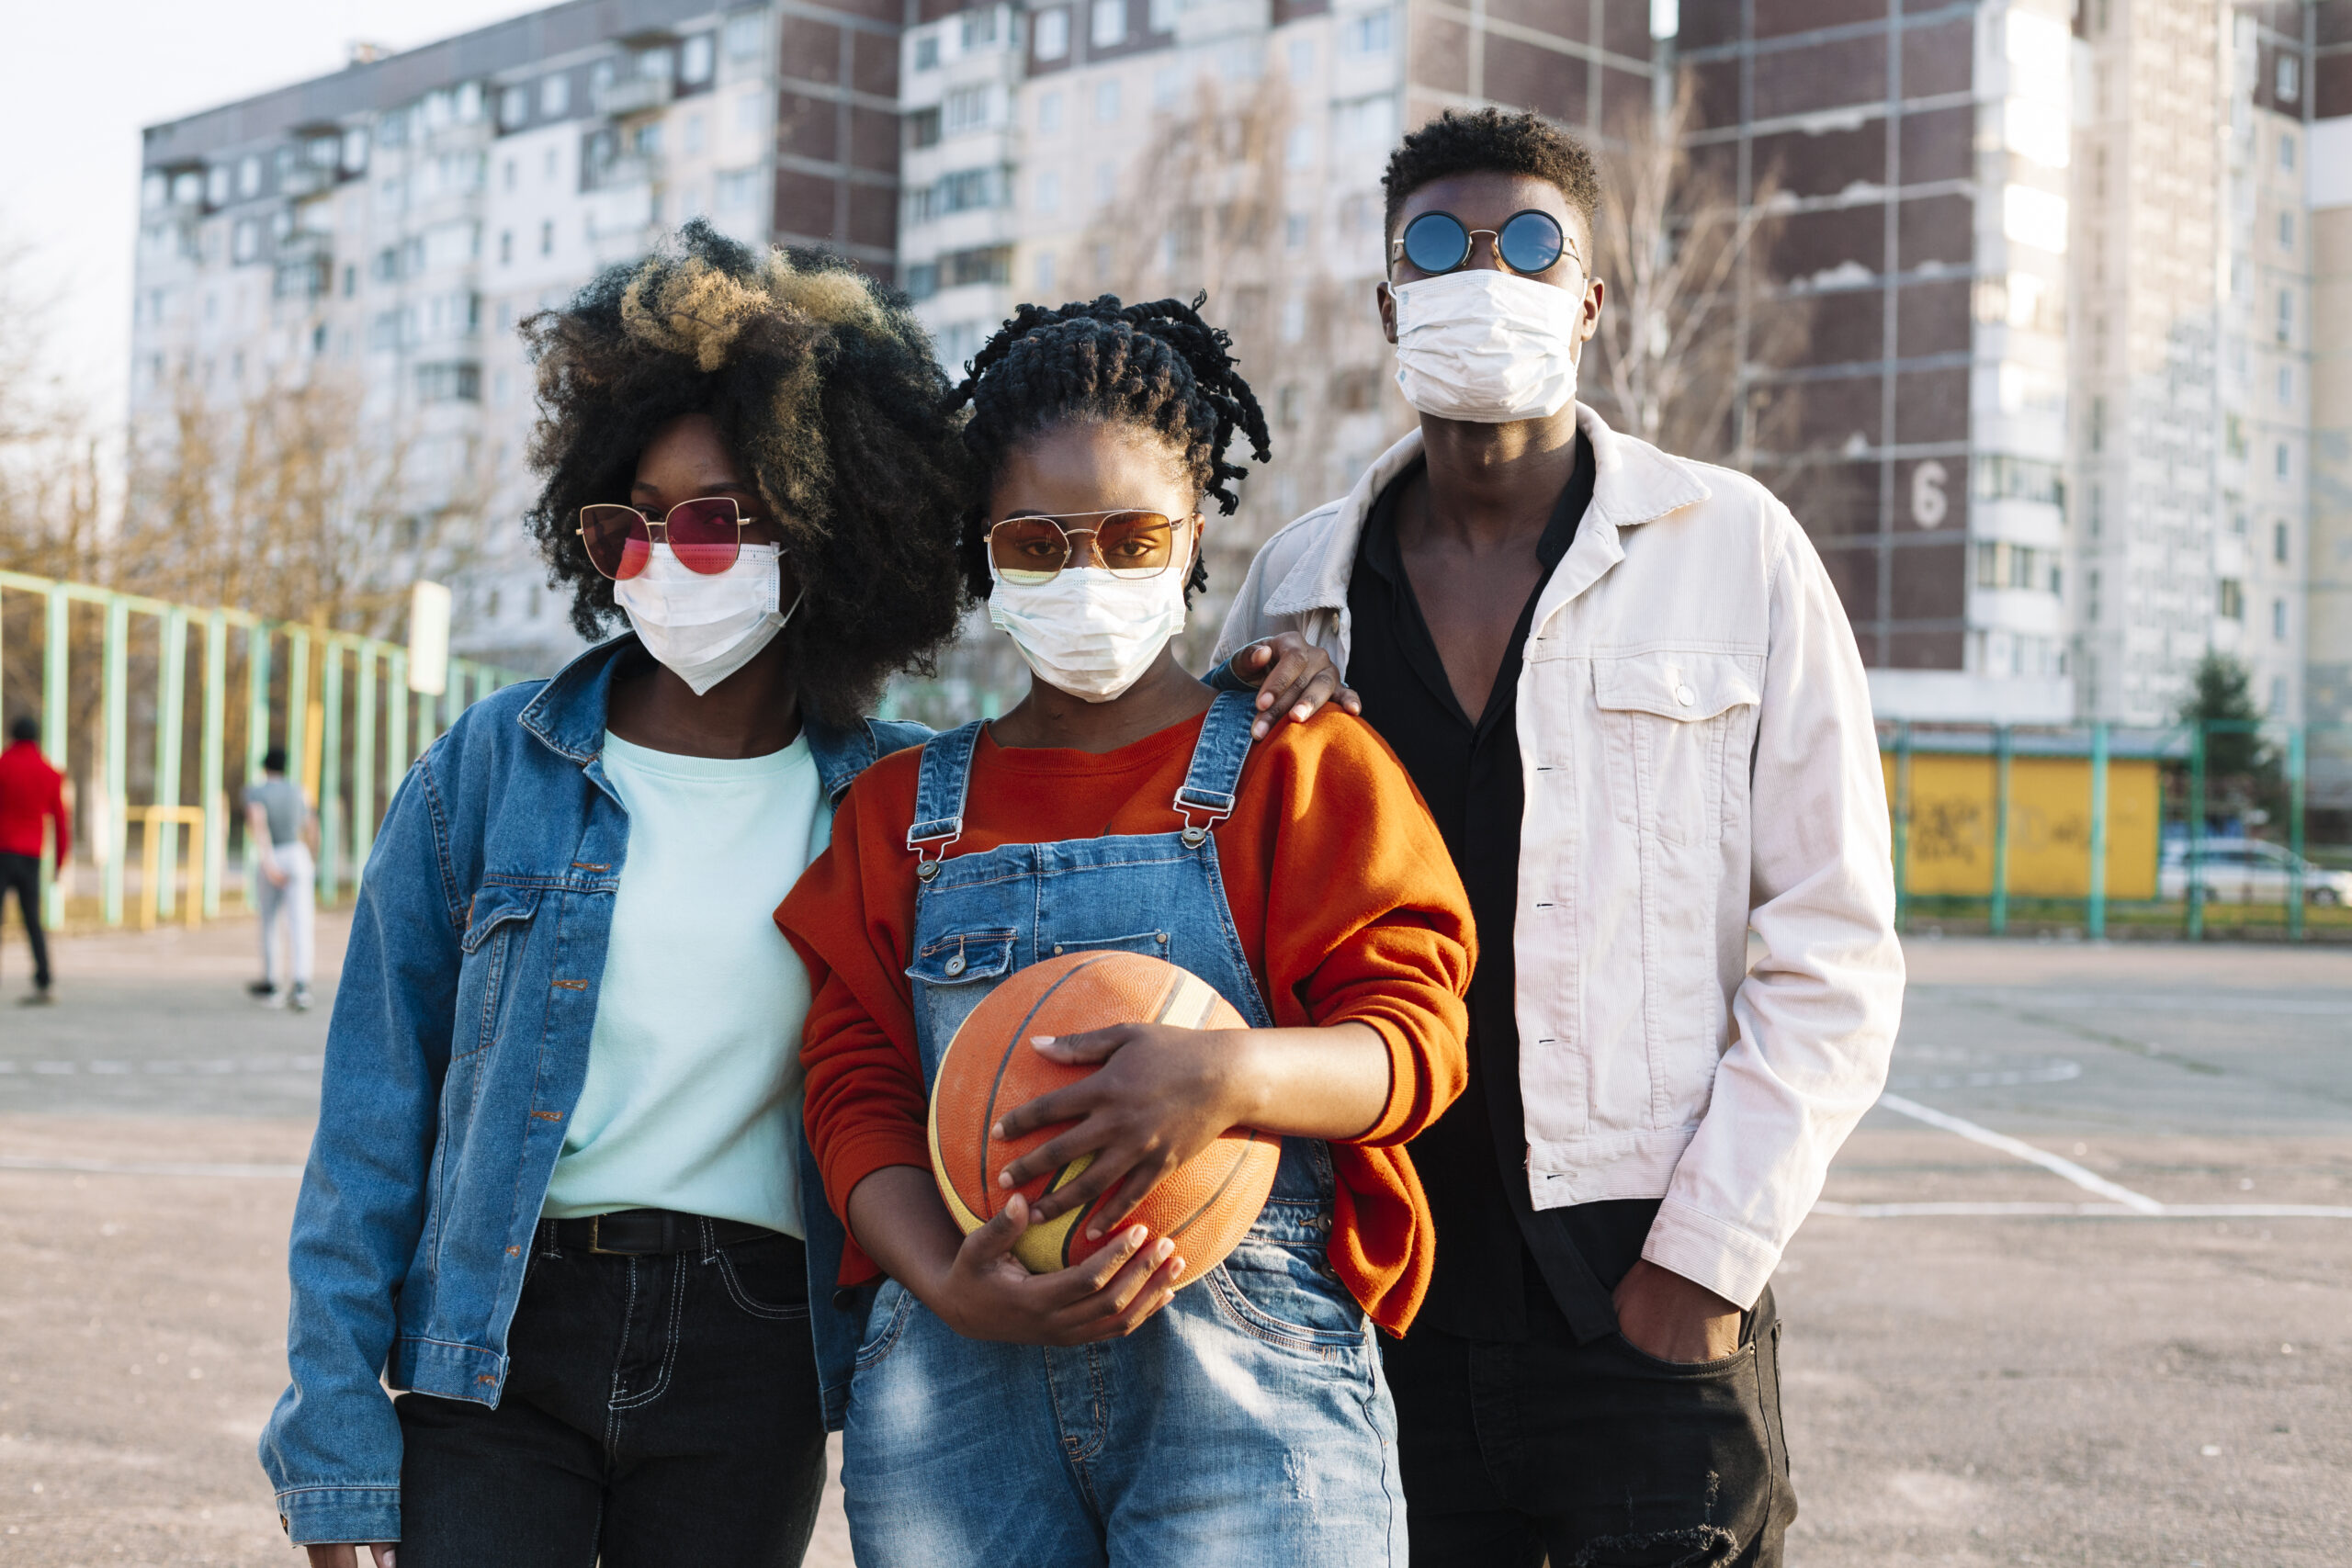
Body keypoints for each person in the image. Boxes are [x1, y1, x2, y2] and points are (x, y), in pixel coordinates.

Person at [259, 227, 1346, 1568]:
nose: (669, 557)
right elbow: (370, 1124)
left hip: (757, 1349)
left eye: (716, 518)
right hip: (500, 1332)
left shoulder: (900, 803)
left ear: (821, 521)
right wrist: (334, 1445)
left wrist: (1267, 684)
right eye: (631, 524)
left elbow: (1094, 874)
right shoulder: (493, 768)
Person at [1216, 109, 1905, 1567]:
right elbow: (1210, 900)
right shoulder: (1298, 584)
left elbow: (1834, 948)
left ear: (1589, 300)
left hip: (1638, 1296)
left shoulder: (1738, 549)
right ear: (1388, 304)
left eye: (1530, 244)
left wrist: (1702, 1265)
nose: (1486, 274)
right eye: (1438, 245)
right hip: (1370, 1292)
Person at [779, 295, 1476, 1567]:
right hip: (956, 1380)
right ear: (983, 550)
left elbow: (1415, 1041)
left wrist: (1227, 1075)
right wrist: (940, 1273)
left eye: (1130, 536)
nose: (1086, 575)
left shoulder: (1299, 768)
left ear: (1193, 536)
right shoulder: (896, 813)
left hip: (1247, 1382)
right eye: (1037, 543)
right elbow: (851, 1084)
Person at [0, 714, 68, 1005]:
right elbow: (61, 822)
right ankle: (44, 980)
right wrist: (59, 863)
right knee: (32, 919)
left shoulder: (2, 766)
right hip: (31, 854)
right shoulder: (49, 773)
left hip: (2, 850)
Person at [245, 745, 319, 1011]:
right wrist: (311, 858)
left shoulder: (256, 792)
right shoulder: (300, 791)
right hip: (298, 854)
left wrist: (269, 864)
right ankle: (301, 984)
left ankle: (272, 981)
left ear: (265, 767)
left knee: (269, 921)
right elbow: (312, 827)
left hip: (274, 854)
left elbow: (258, 825)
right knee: (301, 922)